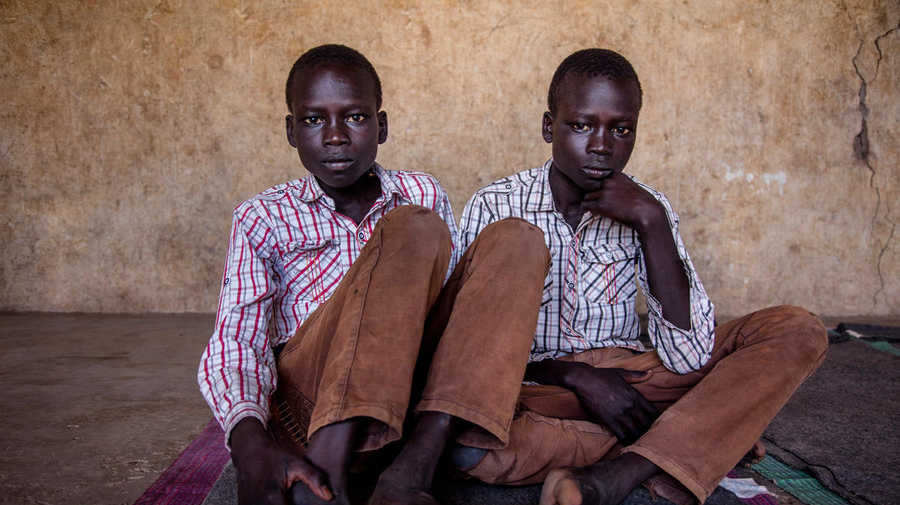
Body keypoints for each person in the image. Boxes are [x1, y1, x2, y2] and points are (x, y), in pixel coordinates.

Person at [454, 48, 829, 505]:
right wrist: (575, 377)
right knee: (471, 439)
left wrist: (651, 223)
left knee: (795, 329)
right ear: (549, 127)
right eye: (581, 125)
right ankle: (695, 437)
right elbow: (464, 352)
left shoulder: (647, 206)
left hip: (636, 382)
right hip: (534, 386)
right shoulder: (496, 205)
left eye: (621, 129)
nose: (601, 145)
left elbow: (687, 356)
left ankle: (623, 468)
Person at [198, 44, 551, 505]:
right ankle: (328, 469)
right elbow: (236, 341)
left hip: (405, 409)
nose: (336, 136)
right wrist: (249, 447)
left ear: (381, 126)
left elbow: (457, 319)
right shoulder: (263, 216)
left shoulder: (420, 190)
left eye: (355, 118)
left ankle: (413, 468)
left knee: (517, 237)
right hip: (307, 411)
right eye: (313, 120)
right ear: (291, 131)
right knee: (414, 224)